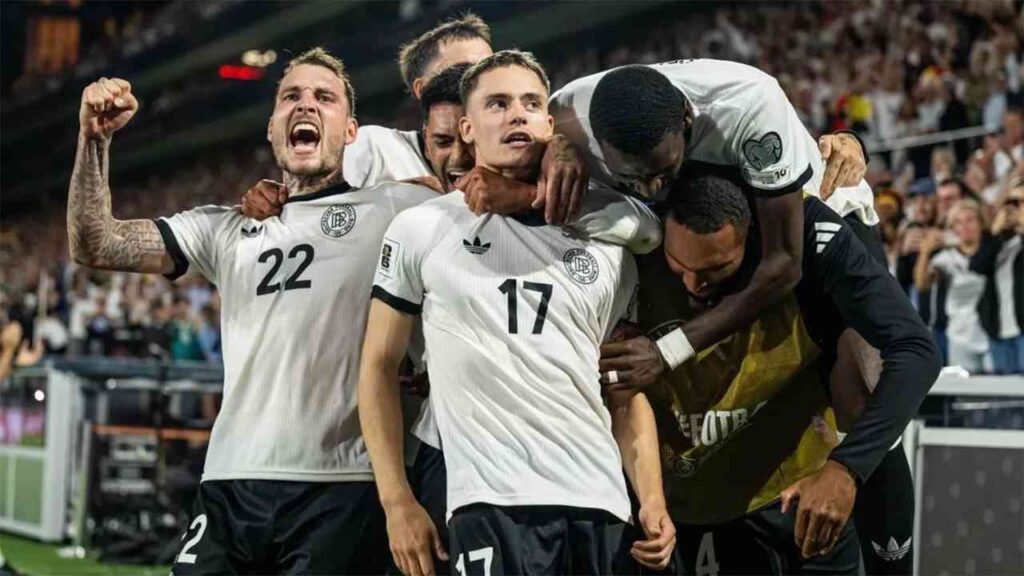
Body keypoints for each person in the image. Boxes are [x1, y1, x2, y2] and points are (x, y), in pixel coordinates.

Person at [67, 48, 440, 574]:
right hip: (229, 483)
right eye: (291, 96)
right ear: (271, 128)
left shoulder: (396, 209)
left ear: (352, 132)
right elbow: (95, 244)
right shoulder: (224, 228)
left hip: (340, 488)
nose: (305, 105)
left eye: (323, 98)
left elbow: (489, 206)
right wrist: (94, 142)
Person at [360, 50, 674, 576]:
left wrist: (651, 497)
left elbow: (620, 389)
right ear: (467, 126)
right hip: (490, 504)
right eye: (498, 103)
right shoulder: (423, 229)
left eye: (531, 103)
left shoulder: (606, 238)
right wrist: (397, 502)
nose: (517, 114)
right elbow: (376, 366)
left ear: (550, 125)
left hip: (602, 503)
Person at [630, 173, 938, 574]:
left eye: (715, 268)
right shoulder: (629, 232)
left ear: (753, 239)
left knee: (868, 376)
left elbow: (916, 351)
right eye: (679, 265)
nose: (695, 284)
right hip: (696, 502)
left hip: (801, 484)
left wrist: (846, 468)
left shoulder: (807, 214)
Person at [546, 60, 873, 390]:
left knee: (856, 379)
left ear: (687, 117)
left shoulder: (749, 105)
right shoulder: (565, 116)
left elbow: (784, 263)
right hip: (724, 232)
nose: (650, 190)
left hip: (819, 222)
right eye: (631, 177)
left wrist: (665, 353)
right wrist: (553, 147)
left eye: (662, 171)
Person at [915, 199, 992, 372]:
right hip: (960, 335)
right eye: (958, 222)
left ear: (981, 223)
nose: (965, 226)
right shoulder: (946, 258)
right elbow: (922, 284)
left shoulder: (993, 251)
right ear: (953, 228)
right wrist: (925, 253)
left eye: (970, 219)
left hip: (991, 333)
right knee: (965, 395)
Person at [970, 182, 1024, 373]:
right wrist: (994, 231)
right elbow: (976, 266)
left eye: (1019, 202)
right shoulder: (1001, 241)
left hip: (1022, 333)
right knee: (1003, 400)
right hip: (999, 332)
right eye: (1010, 202)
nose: (1013, 209)